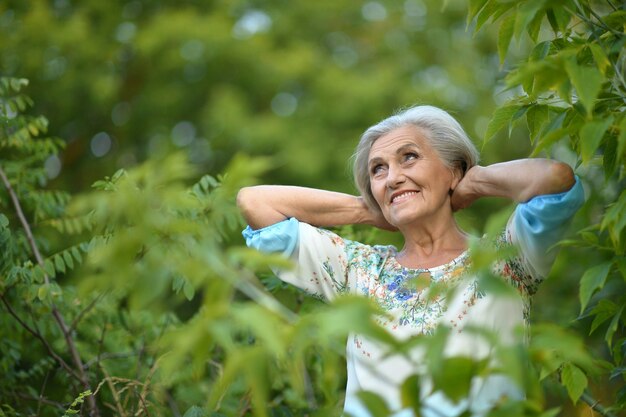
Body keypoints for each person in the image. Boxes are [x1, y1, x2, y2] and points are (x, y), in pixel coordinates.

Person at [237, 105, 584, 417]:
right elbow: (255, 203)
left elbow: (556, 180)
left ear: (452, 170)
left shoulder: (507, 259)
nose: (392, 177)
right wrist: (369, 210)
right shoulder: (358, 270)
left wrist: (474, 181)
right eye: (378, 170)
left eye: (409, 157)